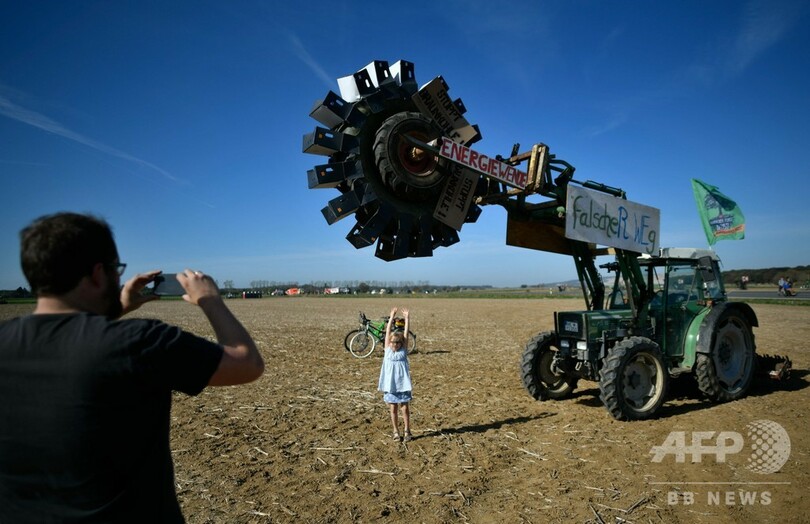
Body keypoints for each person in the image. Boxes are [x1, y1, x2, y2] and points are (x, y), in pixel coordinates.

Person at [0, 212, 264, 523]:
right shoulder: (139, 342)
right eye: (117, 270)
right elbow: (246, 363)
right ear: (98, 273)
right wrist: (210, 300)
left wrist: (116, 307)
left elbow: (71, 341)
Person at [377, 307, 413, 442]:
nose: (395, 344)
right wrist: (391, 317)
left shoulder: (403, 350)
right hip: (390, 385)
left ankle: (407, 430)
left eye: (398, 342)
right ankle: (395, 431)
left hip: (403, 385)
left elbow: (406, 334)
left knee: (405, 408)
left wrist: (407, 319)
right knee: (393, 409)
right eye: (393, 342)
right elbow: (388, 332)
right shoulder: (387, 350)